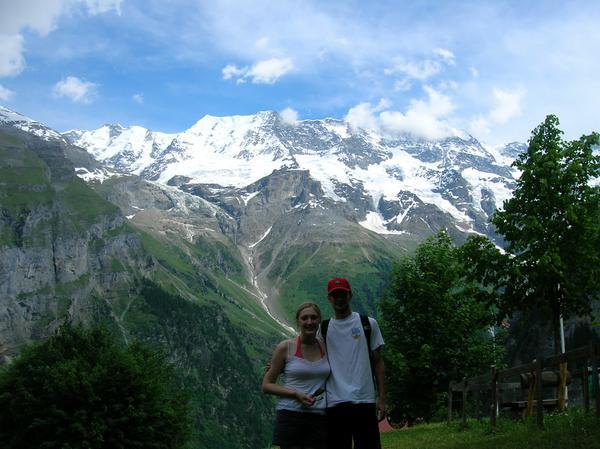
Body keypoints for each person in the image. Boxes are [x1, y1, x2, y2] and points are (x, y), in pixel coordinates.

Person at [322, 277, 385, 449]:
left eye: (342, 294)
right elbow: (307, 353)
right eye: (335, 295)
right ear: (329, 299)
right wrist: (280, 365)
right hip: (335, 402)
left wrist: (381, 398)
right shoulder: (324, 329)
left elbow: (379, 363)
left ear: (350, 295)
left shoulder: (368, 324)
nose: (339, 299)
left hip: (364, 400)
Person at [262, 302, 331, 449]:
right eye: (304, 318)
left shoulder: (326, 347)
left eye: (313, 317)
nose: (309, 322)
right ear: (298, 321)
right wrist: (295, 394)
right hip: (290, 414)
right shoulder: (285, 347)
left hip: (319, 415)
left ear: (319, 320)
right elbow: (267, 385)